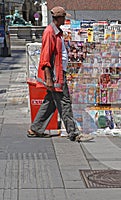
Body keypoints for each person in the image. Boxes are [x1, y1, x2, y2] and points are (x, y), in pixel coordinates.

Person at [27, 6, 93, 142]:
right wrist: (49, 78)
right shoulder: (50, 32)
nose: (65, 19)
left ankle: (35, 128)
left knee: (50, 102)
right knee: (64, 102)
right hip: (55, 76)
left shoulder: (57, 32)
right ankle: (74, 132)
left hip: (58, 73)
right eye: (64, 17)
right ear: (59, 18)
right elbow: (46, 57)